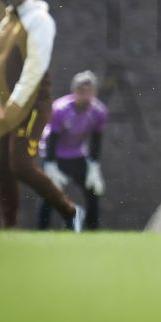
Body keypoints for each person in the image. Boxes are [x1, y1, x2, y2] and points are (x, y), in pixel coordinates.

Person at [0, 0, 84, 232]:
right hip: (6, 106)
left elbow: (35, 66)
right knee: (2, 166)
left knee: (20, 164)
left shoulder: (40, 20)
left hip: (31, 104)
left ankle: (71, 211)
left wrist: (15, 104)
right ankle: (9, 226)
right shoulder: (5, 24)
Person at [37, 70, 108, 231]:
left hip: (77, 155)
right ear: (74, 92)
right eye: (82, 91)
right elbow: (51, 138)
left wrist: (94, 166)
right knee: (49, 195)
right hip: (55, 156)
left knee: (93, 192)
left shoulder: (99, 112)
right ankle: (42, 230)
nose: (86, 96)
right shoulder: (60, 109)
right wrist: (50, 165)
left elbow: (96, 140)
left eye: (90, 92)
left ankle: (93, 230)